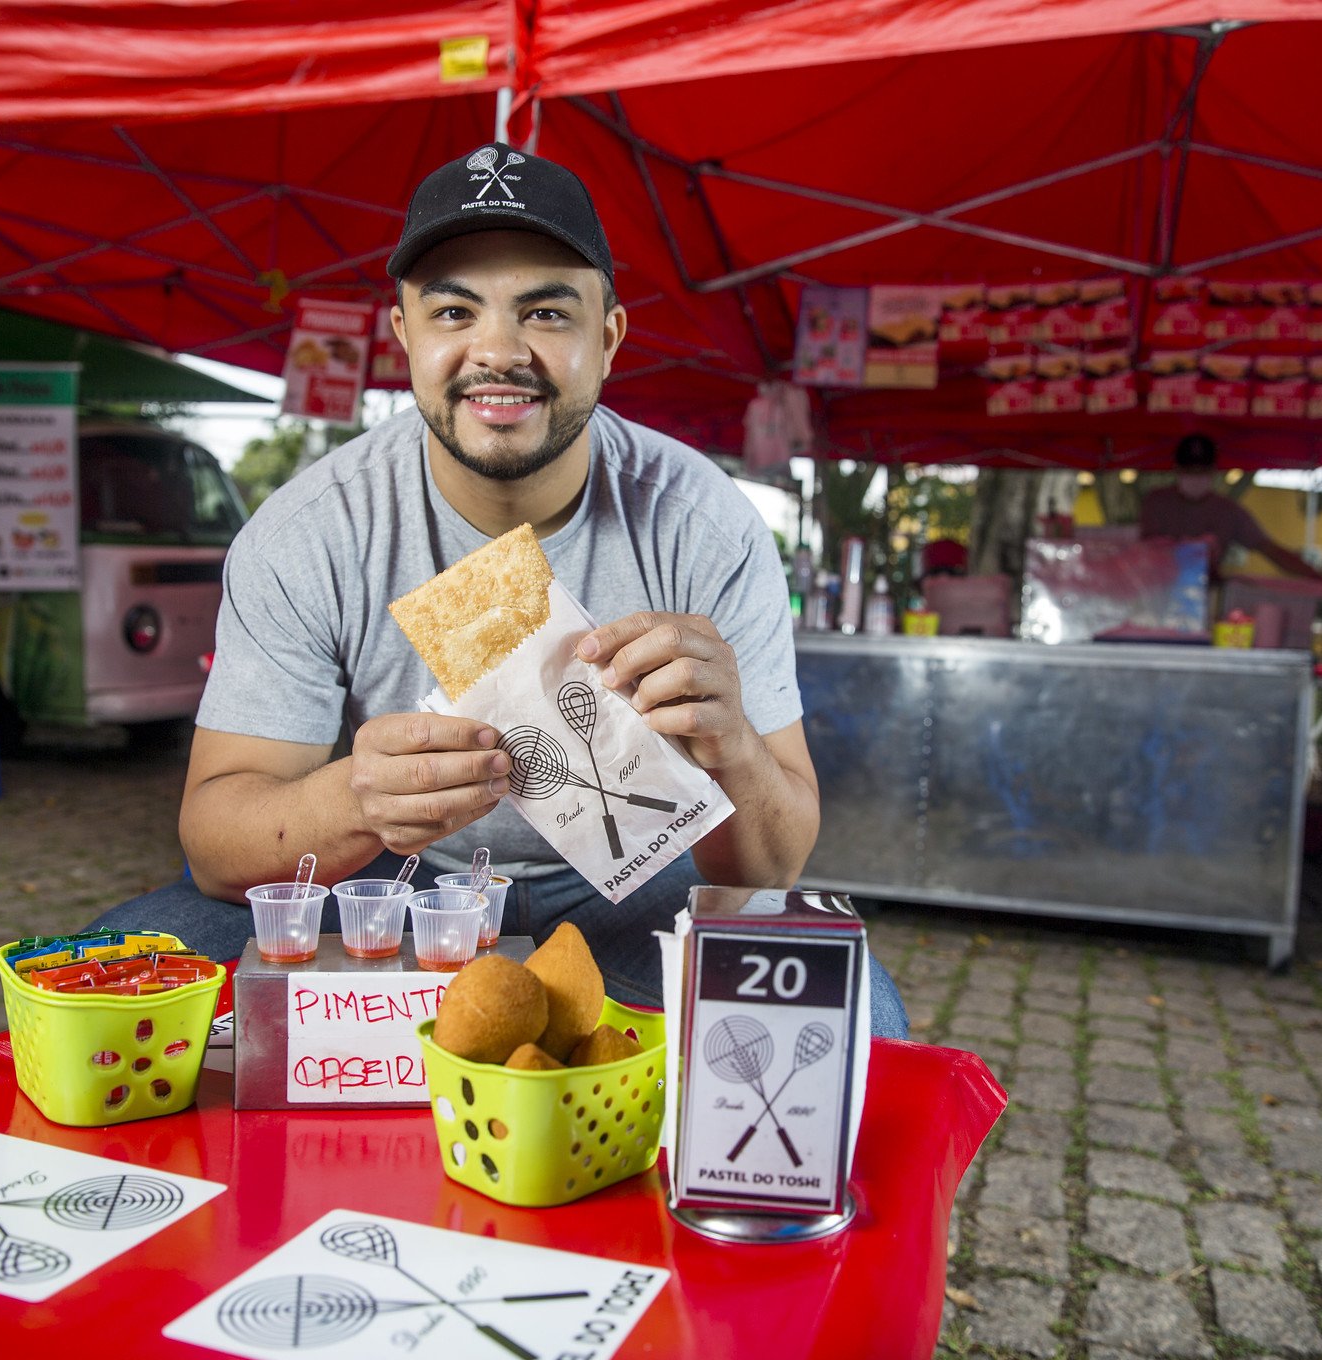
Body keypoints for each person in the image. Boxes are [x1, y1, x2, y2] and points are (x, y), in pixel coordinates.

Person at [87, 142, 909, 1038]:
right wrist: (357, 798)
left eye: (547, 311)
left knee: (860, 1019)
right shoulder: (309, 533)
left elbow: (773, 869)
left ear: (608, 338)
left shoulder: (704, 527)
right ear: (403, 337)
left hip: (636, 890)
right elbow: (214, 844)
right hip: (387, 886)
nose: (498, 352)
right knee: (118, 960)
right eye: (453, 309)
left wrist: (733, 748)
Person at [1138, 433, 1322, 583]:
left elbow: (1269, 549)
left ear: (1213, 470)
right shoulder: (1157, 502)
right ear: (1177, 469)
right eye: (1190, 471)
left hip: (1206, 598)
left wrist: (1313, 575)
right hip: (1157, 593)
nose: (1195, 477)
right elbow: (1147, 551)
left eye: (1202, 471)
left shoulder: (1227, 511)